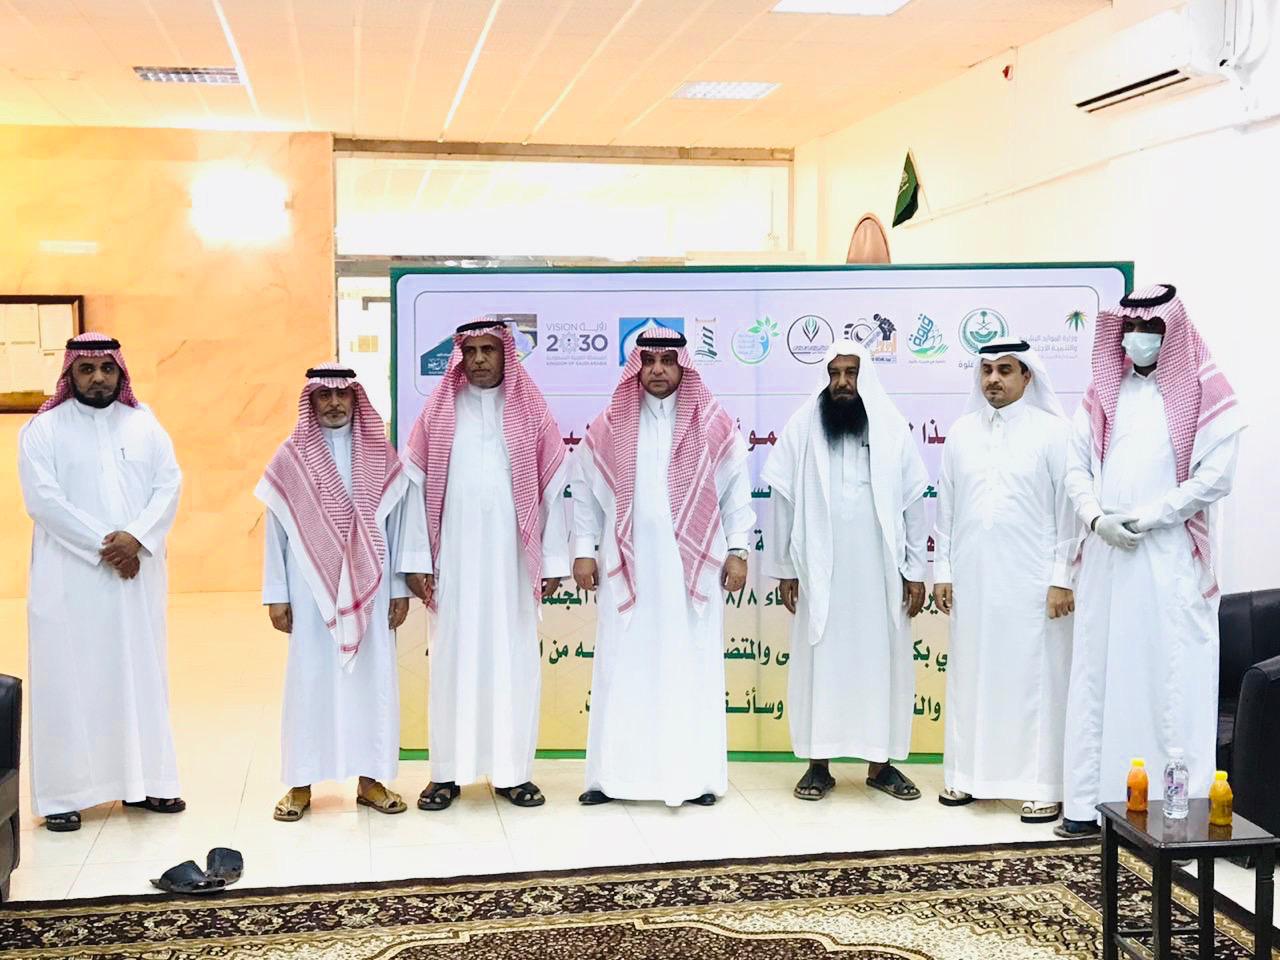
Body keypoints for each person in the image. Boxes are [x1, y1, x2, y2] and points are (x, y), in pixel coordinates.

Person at [1055, 285, 1244, 838]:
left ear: (1172, 332)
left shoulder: (1204, 391)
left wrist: (1152, 516)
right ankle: (1088, 806)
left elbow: (1216, 477)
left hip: (1168, 557)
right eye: (1131, 328)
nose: (1138, 338)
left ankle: (1173, 814)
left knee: (1169, 679)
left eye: (1152, 329)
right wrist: (1096, 519)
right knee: (1097, 675)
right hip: (1107, 556)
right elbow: (1074, 469)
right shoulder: (1102, 392)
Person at [572, 327, 753, 807]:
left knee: (689, 666)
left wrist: (738, 550)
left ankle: (695, 780)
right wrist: (584, 548)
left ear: (682, 367)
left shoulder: (712, 423)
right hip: (627, 566)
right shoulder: (611, 424)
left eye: (667, 361)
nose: (657, 370)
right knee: (623, 667)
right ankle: (613, 779)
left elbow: (737, 491)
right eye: (648, 360)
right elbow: (585, 490)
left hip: (691, 571)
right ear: (637, 367)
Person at [18, 333, 184, 831]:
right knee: (67, 679)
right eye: (86, 369)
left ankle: (145, 783)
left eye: (106, 369)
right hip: (70, 579)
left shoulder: (145, 424)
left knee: (138, 675)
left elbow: (169, 485)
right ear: (70, 374)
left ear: (120, 373)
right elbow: (43, 500)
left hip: (136, 577)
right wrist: (107, 547)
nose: (97, 378)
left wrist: (136, 539)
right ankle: (63, 795)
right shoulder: (44, 429)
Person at [403, 319, 570, 811]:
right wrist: (416, 560)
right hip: (453, 563)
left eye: (488, 350)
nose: (478, 359)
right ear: (460, 356)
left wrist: (551, 561)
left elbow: (552, 491)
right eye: (471, 350)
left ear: (505, 355)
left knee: (513, 662)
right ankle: (445, 774)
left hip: (513, 566)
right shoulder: (439, 414)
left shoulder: (531, 412)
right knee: (450, 663)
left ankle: (513, 773)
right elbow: (415, 491)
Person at [256, 364, 430, 822]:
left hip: (371, 589)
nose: (334, 403)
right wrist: (277, 593)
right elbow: (276, 531)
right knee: (309, 681)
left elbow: (397, 524)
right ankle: (300, 784)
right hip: (310, 589)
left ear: (356, 399)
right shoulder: (291, 457)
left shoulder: (380, 456)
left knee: (373, 682)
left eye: (343, 395)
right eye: (324, 396)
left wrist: (398, 588)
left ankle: (371, 781)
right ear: (310, 402)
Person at [763, 338, 929, 802]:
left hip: (880, 575)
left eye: (850, 373)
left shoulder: (891, 427)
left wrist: (915, 570)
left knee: (881, 663)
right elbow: (782, 499)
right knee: (822, 664)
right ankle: (818, 765)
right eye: (834, 374)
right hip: (820, 572)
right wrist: (785, 568)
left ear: (865, 377)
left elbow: (914, 503)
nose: (842, 383)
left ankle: (881, 765)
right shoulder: (803, 426)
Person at [932, 339, 1078, 823]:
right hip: (973, 579)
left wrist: (1062, 578)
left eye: (1005, 370)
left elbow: (1069, 513)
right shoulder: (961, 432)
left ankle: (1041, 785)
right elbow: (946, 510)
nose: (993, 379)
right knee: (971, 676)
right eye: (987, 370)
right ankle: (968, 776)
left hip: (1033, 583)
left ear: (1027, 376)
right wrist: (943, 571)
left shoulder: (1054, 433)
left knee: (1035, 681)